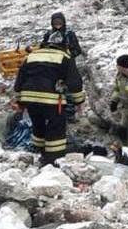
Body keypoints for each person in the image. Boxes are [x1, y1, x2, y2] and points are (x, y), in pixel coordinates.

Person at [10, 31, 86, 165]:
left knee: (38, 124)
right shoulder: (64, 57)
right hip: (50, 99)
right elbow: (74, 82)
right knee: (56, 126)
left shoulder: (32, 55)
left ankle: (39, 151)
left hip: (29, 98)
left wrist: (19, 100)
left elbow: (20, 78)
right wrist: (79, 101)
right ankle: (52, 159)